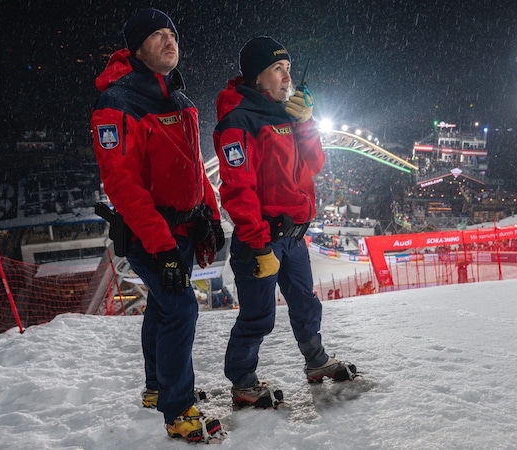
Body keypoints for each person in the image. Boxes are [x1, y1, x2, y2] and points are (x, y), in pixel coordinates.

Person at [91, 8, 224, 443]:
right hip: (152, 235)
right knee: (181, 306)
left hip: (184, 229)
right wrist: (162, 246)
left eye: (173, 34)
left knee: (164, 308)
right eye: (158, 36)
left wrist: (211, 214)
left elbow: (194, 168)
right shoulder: (118, 102)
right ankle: (178, 407)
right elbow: (121, 183)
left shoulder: (179, 99)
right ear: (135, 49)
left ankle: (156, 387)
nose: (170, 42)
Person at [213, 36, 358, 409]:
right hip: (261, 238)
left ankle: (316, 362)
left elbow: (315, 164)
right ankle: (243, 383)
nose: (286, 77)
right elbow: (237, 190)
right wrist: (258, 243)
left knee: (306, 305)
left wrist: (307, 123)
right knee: (258, 317)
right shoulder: (239, 121)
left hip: (294, 238)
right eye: (278, 69)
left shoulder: (288, 115)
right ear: (257, 76)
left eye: (288, 69)